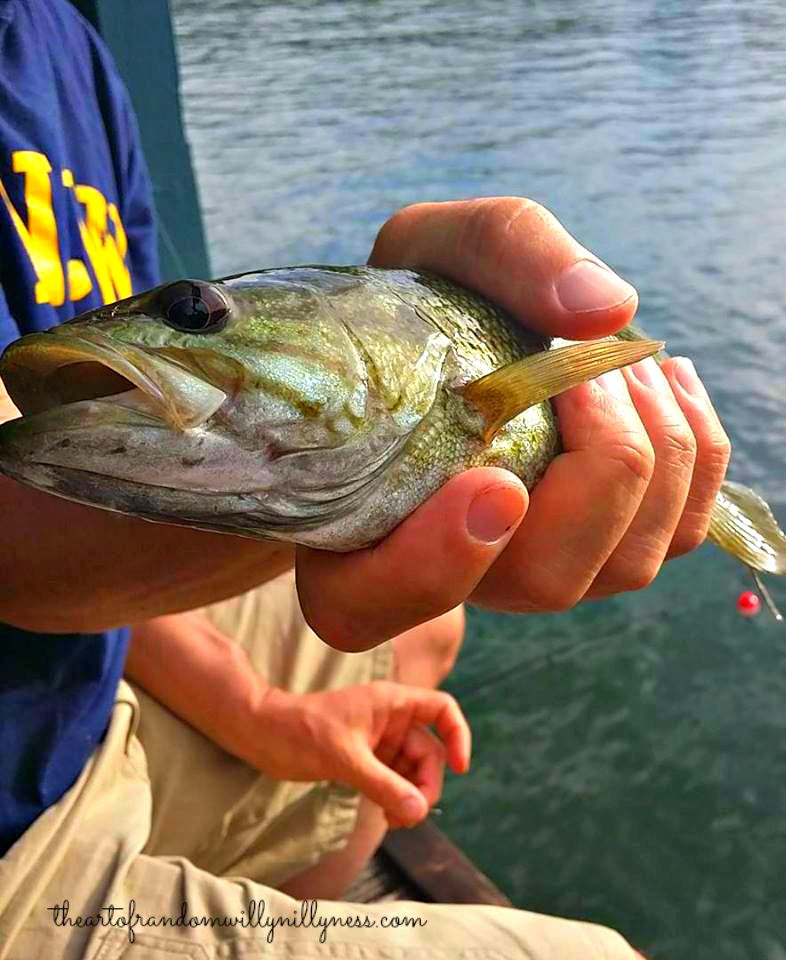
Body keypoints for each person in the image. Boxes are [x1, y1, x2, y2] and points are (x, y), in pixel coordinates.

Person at [0, 1, 732, 957]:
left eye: (195, 312)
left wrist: (262, 714)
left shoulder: (69, 46)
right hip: (23, 832)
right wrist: (348, 484)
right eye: (198, 312)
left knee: (425, 628)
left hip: (66, 681)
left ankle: (284, 854)